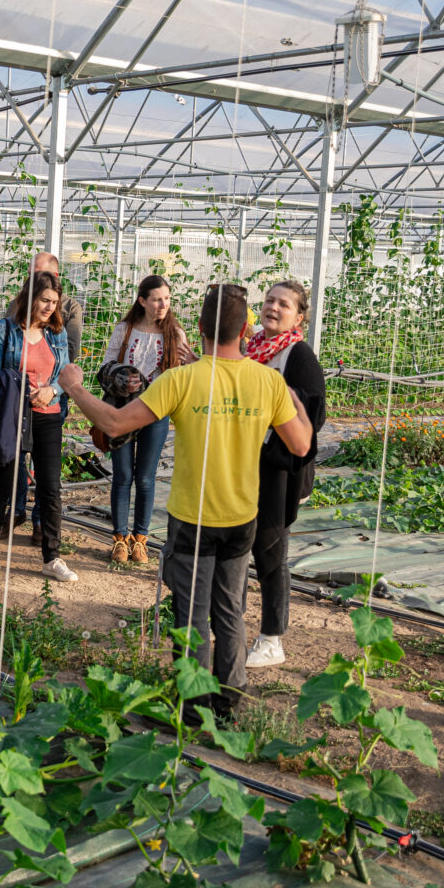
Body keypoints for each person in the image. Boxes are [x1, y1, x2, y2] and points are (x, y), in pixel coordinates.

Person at [59, 284, 311, 724]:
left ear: (199, 327)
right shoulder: (268, 381)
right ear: (246, 328)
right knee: (230, 606)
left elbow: (116, 423)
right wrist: (296, 405)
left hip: (193, 518)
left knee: (191, 612)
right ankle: (229, 699)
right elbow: (302, 443)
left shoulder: (182, 379)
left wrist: (75, 389)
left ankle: (193, 708)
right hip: (242, 517)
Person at [240, 280, 326, 669]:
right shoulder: (252, 347)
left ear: (299, 316)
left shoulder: (298, 355)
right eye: (270, 300)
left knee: (270, 552)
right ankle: (230, 620)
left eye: (284, 304)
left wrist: (268, 442)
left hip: (276, 469)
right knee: (238, 543)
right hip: (243, 461)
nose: (273, 308)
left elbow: (313, 415)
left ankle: (272, 639)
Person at [0, 270, 78, 583]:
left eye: (54, 303)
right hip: (14, 415)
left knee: (50, 487)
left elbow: (66, 373)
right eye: (45, 300)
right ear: (30, 297)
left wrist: (53, 391)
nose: (50, 308)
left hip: (48, 414)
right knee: (5, 479)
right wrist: (20, 389)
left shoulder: (57, 333)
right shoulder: (5, 329)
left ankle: (52, 557)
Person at [100, 273, 195, 565]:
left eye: (166, 299)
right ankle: (119, 539)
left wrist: (188, 365)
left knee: (145, 478)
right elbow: (106, 365)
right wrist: (122, 379)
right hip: (124, 411)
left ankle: (140, 540)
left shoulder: (175, 334)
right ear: (142, 301)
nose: (162, 305)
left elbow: (186, 376)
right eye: (156, 299)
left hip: (157, 412)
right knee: (123, 475)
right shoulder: (125, 330)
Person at [3, 252, 82, 544]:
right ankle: (17, 509)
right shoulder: (16, 305)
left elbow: (69, 352)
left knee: (46, 465)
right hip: (19, 397)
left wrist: (50, 389)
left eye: (40, 273)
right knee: (15, 456)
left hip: (51, 395)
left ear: (55, 277)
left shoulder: (70, 307)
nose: (32, 278)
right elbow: (6, 350)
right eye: (30, 273)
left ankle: (39, 522)